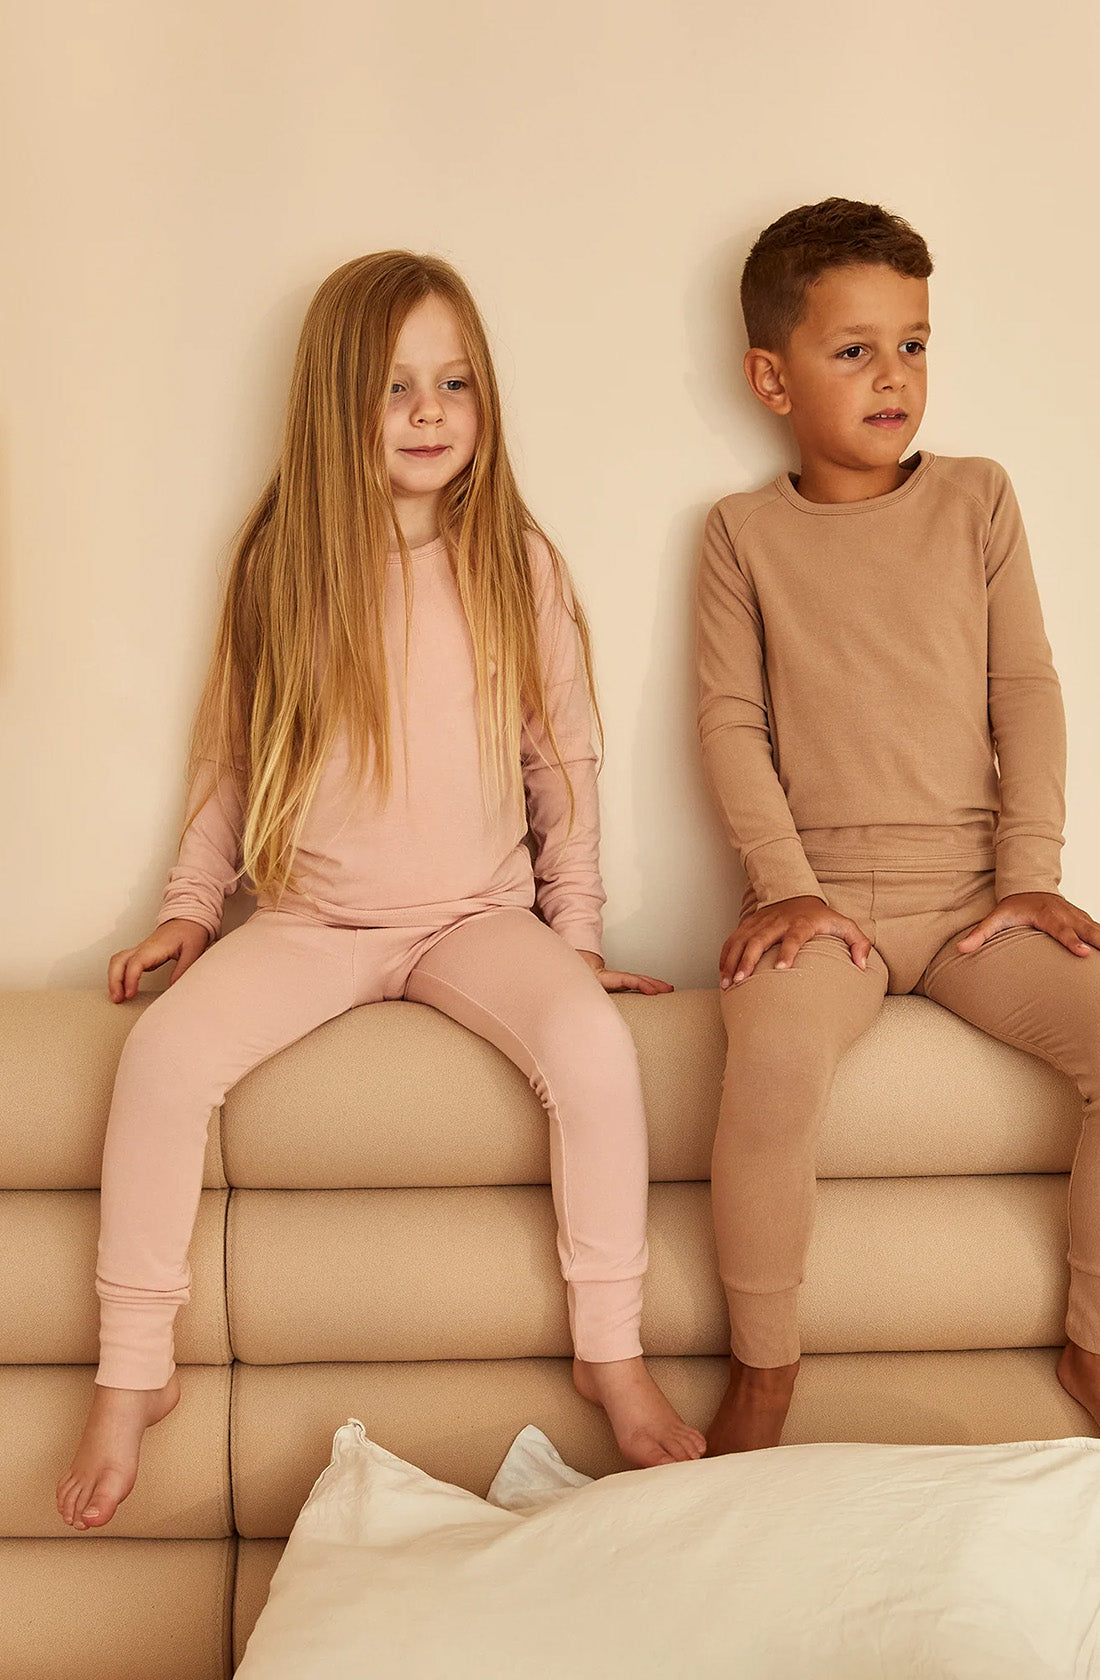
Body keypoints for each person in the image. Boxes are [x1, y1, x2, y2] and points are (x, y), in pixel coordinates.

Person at [58, 251, 705, 1530]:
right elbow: (230, 756)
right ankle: (134, 1374)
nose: (427, 411)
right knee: (161, 1062)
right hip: (307, 921)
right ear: (332, 404)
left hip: (477, 919)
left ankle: (611, 1349)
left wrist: (571, 936)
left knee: (590, 1046)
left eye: (452, 382)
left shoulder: (514, 562)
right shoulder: (280, 569)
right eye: (395, 386)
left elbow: (559, 761)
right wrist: (193, 906)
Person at [695, 197, 1100, 1456]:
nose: (893, 377)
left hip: (977, 899)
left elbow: (1023, 691)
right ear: (770, 375)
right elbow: (728, 724)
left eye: (913, 345)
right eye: (853, 349)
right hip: (825, 906)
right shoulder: (741, 535)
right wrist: (786, 888)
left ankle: (1088, 1340)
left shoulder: (977, 500)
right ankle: (764, 1370)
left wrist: (1028, 875)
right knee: (766, 1064)